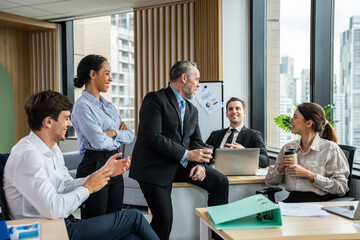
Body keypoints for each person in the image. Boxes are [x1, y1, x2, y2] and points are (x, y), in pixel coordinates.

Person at [3, 90, 159, 240]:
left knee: (132, 237)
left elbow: (65, 185)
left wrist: (102, 173)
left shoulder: (52, 148)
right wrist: (88, 188)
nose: (70, 124)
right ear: (48, 122)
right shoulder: (28, 155)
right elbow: (54, 208)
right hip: (43, 230)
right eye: (66, 118)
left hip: (62, 222)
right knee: (134, 217)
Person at [129, 60, 229, 240]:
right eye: (196, 79)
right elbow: (153, 137)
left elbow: (197, 142)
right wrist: (188, 154)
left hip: (179, 165)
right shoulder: (154, 99)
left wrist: (201, 165)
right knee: (164, 219)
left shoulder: (192, 110)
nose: (199, 84)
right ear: (184, 78)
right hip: (154, 167)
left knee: (220, 181)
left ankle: (216, 236)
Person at [71, 54, 135, 219]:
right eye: (106, 73)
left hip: (114, 163)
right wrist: (116, 133)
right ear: (93, 74)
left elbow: (130, 135)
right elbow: (98, 141)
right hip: (95, 164)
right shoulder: (82, 107)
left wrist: (113, 132)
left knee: (115, 220)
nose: (110, 78)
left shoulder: (108, 106)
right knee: (96, 222)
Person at [265, 102, 350, 202]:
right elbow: (270, 183)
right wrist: (280, 167)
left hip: (319, 204)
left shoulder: (330, 148)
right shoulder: (288, 148)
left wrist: (309, 175)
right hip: (292, 201)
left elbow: (342, 188)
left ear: (309, 123)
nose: (291, 120)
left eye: (295, 117)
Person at [206, 97, 269, 168]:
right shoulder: (215, 134)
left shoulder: (254, 135)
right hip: (214, 172)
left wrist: (245, 152)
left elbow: (265, 161)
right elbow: (204, 155)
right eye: (230, 109)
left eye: (237, 108)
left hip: (238, 174)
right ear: (227, 114)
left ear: (244, 113)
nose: (234, 111)